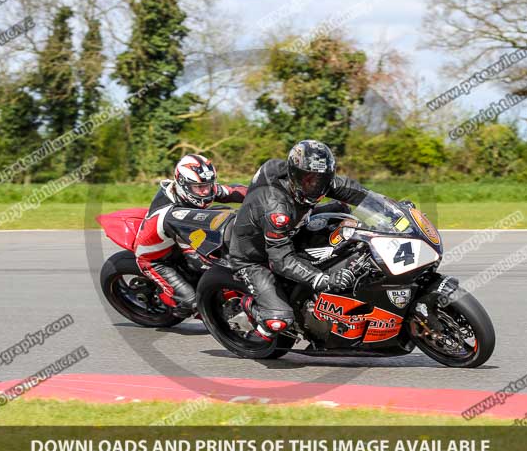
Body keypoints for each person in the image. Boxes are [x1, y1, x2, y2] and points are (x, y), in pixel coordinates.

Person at [229, 140, 370, 339]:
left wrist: (393, 210)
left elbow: (354, 191)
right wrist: (322, 280)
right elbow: (280, 260)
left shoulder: (315, 182)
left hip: (291, 230)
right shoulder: (276, 208)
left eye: (321, 179)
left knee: (343, 212)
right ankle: (250, 307)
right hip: (255, 256)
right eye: (308, 179)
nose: (315, 186)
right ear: (294, 175)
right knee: (279, 321)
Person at [135, 154, 247, 316]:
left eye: (208, 185)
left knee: (225, 213)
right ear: (183, 184)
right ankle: (174, 304)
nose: (205, 191)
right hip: (154, 260)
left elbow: (234, 191)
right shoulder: (170, 214)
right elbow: (197, 260)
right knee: (192, 302)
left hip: (175, 240)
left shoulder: (197, 188)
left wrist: (263, 193)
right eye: (199, 188)